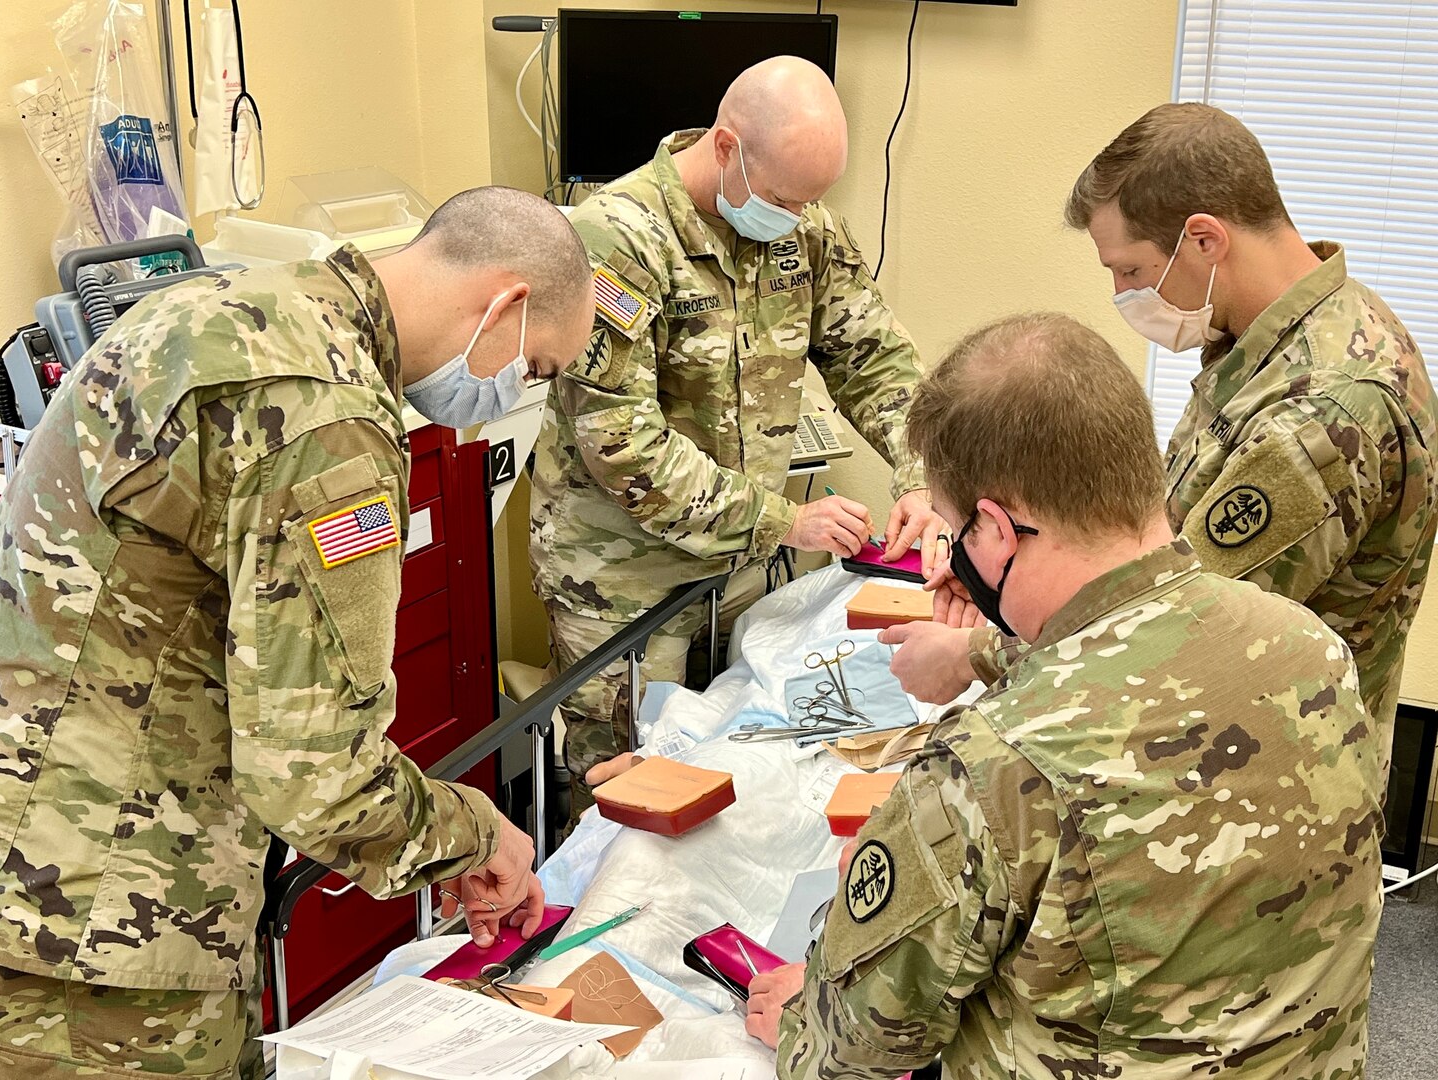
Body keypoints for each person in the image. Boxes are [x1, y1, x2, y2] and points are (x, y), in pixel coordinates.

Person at [0, 187, 594, 1078]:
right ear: (505, 302)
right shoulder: (326, 421)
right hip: (105, 927)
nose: (519, 393)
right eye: (537, 369)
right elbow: (315, 776)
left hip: (41, 851)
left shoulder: (232, 306)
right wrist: (482, 833)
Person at [747, 313, 1383, 1078]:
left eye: (952, 532)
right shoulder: (1313, 648)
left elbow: (852, 1058)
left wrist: (805, 1014)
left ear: (996, 529)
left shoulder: (988, 769)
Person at [892, 103, 1438, 787]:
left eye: (1129, 269)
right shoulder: (1281, 335)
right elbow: (1165, 534)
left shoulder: (1325, 412)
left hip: (1257, 779)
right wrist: (1003, 574)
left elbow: (1173, 618)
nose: (1122, 293)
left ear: (1205, 240)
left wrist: (973, 652)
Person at [530, 56, 946, 824]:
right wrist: (783, 521)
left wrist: (921, 477)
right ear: (725, 147)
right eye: (787, 197)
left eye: (814, 200)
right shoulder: (617, 240)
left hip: (734, 574)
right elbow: (621, 443)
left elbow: (874, 355)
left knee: (734, 771)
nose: (798, 216)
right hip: (622, 582)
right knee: (627, 803)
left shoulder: (800, 226)